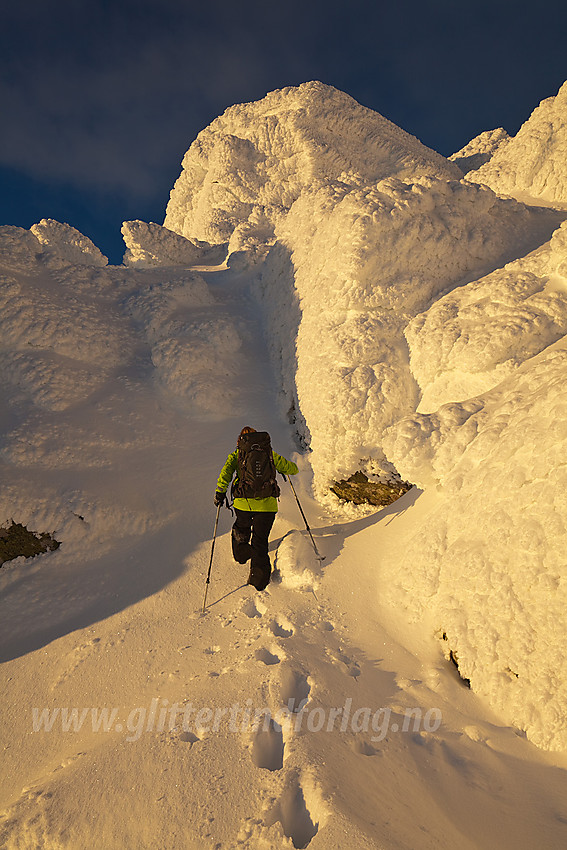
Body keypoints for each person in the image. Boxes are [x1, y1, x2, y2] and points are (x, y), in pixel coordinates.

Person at [214, 427, 298, 591]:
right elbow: (293, 469)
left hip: (243, 504)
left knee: (241, 526)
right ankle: (259, 581)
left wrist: (220, 492)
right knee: (260, 540)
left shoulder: (236, 455)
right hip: (267, 506)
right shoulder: (268, 454)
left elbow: (225, 474)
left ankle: (241, 554)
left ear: (240, 441)